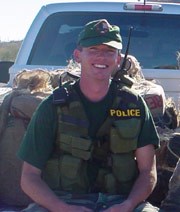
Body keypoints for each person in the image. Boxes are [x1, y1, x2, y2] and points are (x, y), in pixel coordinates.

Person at [17, 19, 160, 212]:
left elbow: (147, 172)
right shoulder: (53, 106)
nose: (102, 57)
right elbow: (29, 177)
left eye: (110, 51)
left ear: (118, 59)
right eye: (93, 49)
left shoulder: (134, 105)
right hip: (63, 202)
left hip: (119, 202)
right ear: (78, 55)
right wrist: (62, 208)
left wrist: (128, 205)